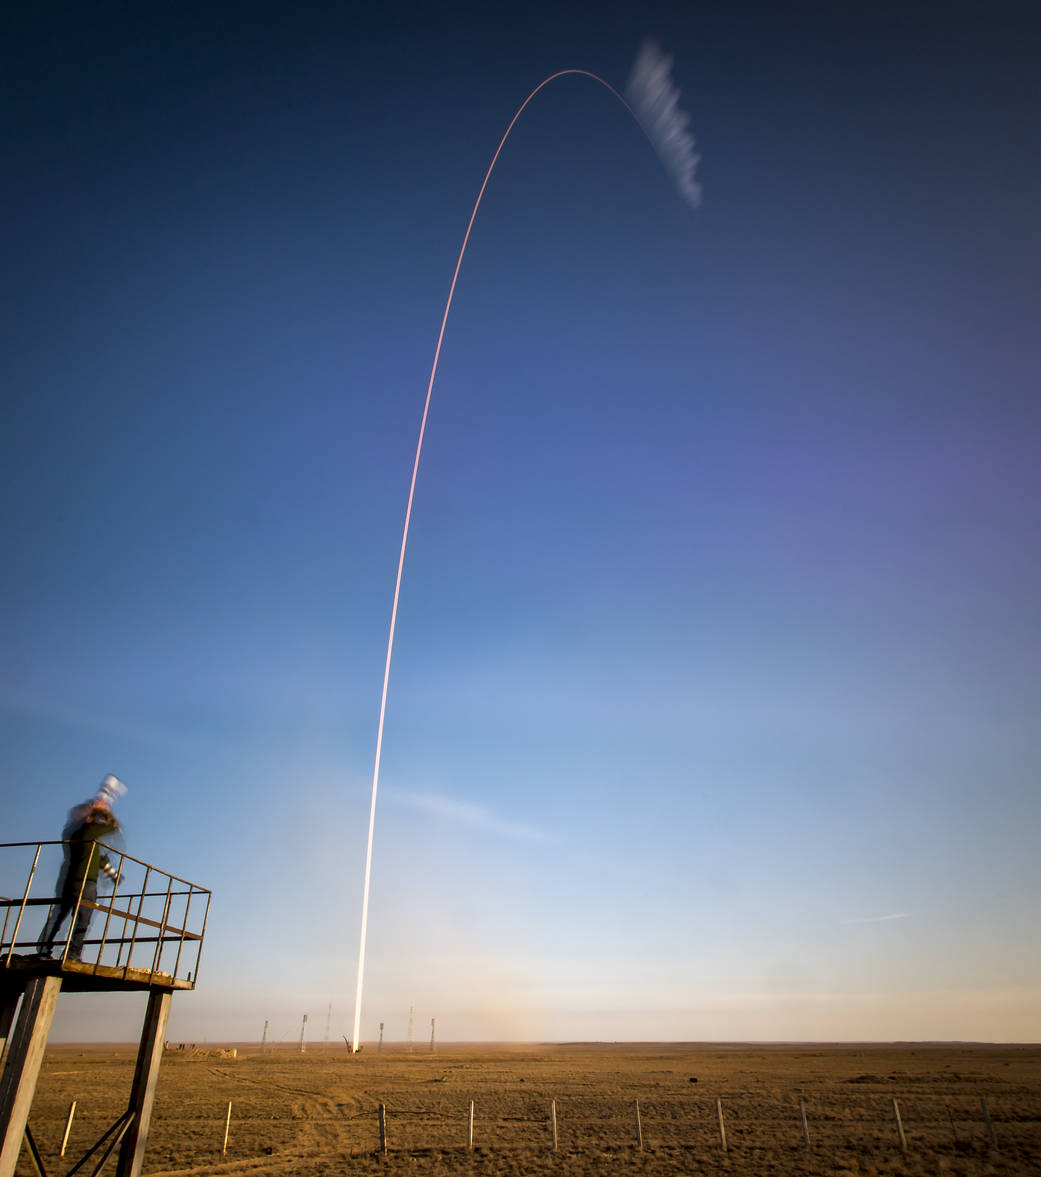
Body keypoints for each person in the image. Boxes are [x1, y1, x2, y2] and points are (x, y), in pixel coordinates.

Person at [38, 775, 126, 961]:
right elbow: (114, 827)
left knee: (59, 916)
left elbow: (98, 857)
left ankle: (44, 950)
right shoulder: (89, 831)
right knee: (83, 919)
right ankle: (73, 953)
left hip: (70, 881)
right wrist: (105, 811)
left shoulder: (74, 834)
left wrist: (112, 874)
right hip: (86, 882)